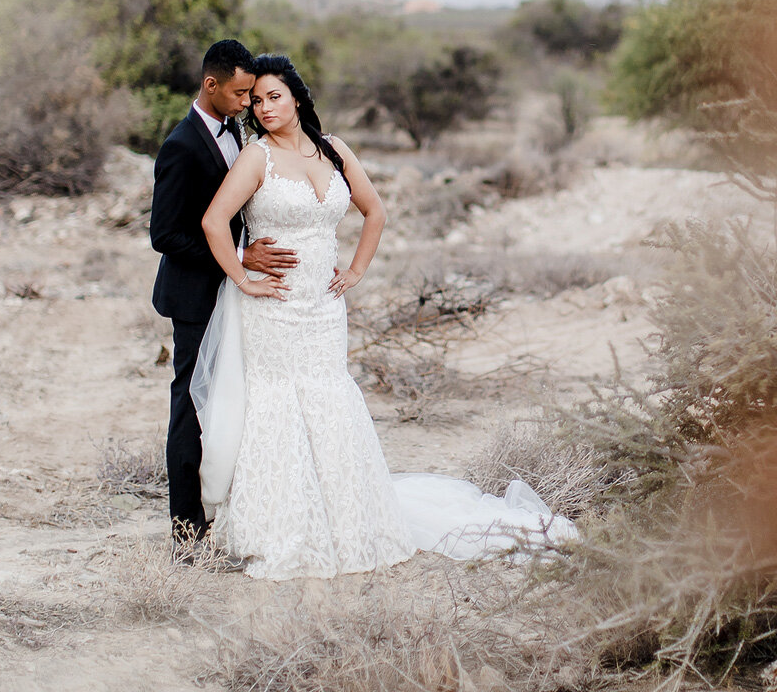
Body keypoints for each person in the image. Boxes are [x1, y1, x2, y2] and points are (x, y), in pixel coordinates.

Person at [197, 54, 575, 579]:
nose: (263, 107)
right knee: (279, 402)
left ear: (298, 98)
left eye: (273, 96)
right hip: (274, 307)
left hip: (324, 307)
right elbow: (214, 220)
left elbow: (375, 212)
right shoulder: (255, 158)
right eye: (256, 100)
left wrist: (354, 271)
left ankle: (348, 519)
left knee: (329, 394)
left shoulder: (336, 151)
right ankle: (281, 527)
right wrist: (243, 277)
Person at [149, 40, 298, 546]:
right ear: (210, 85)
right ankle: (186, 527)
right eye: (239, 94)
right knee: (192, 406)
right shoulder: (181, 145)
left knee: (233, 399)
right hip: (195, 296)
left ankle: (232, 507)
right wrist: (238, 258)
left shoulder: (235, 129)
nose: (247, 103)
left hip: (237, 295)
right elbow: (164, 235)